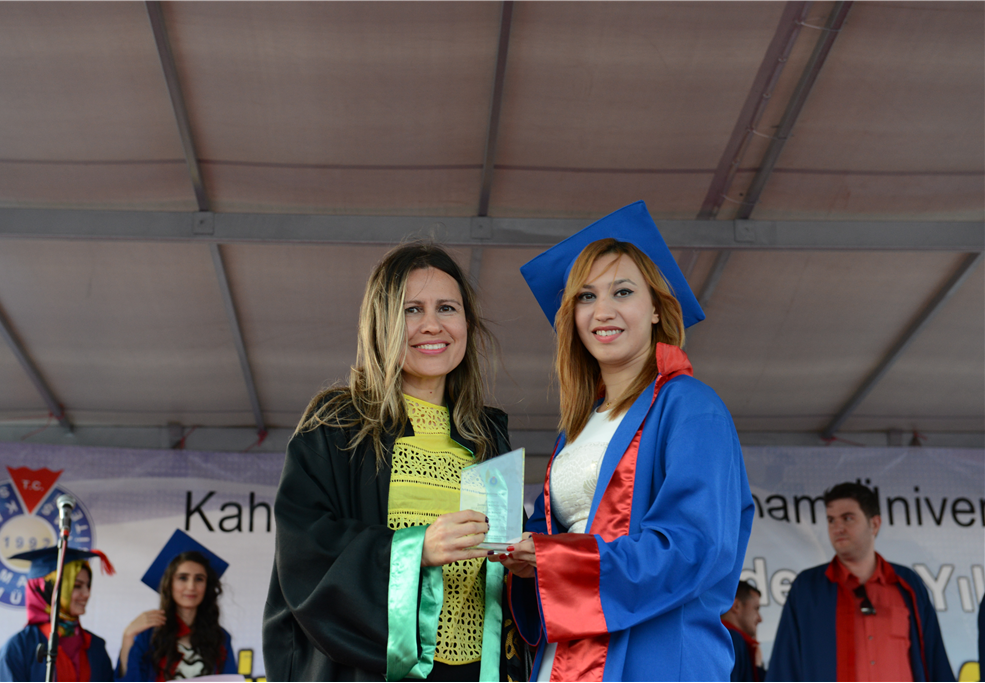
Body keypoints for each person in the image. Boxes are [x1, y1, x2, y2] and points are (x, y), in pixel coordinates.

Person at [494, 200, 754, 681]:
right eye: (586, 297)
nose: (603, 311)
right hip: (566, 656)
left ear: (656, 308)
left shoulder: (690, 406)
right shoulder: (576, 430)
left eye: (623, 291)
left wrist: (555, 559)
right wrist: (521, 556)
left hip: (655, 657)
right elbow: (553, 538)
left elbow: (692, 547)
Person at [263, 243, 520, 682]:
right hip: (376, 670)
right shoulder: (339, 424)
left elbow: (502, 575)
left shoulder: (486, 437)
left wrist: (522, 562)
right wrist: (415, 549)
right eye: (411, 310)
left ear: (467, 324)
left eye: (447, 308)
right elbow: (304, 548)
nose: (432, 324)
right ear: (381, 323)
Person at [766, 482, 955, 682]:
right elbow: (784, 667)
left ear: (874, 524)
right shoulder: (807, 588)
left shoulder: (907, 583)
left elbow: (936, 661)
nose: (838, 528)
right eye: (831, 520)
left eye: (847, 518)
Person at [0, 547, 115, 682]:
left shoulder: (95, 646)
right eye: (77, 586)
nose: (87, 594)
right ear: (47, 588)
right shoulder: (19, 648)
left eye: (88, 586)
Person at [116, 550, 236, 681]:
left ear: (207, 586)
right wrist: (128, 636)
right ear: (169, 583)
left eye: (199, 579)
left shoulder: (220, 638)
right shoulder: (150, 635)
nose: (191, 586)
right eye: (183, 578)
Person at [723, 582, 765, 682]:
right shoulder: (732, 639)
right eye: (756, 608)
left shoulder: (731, 639)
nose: (760, 619)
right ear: (736, 606)